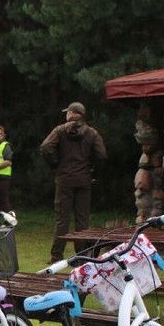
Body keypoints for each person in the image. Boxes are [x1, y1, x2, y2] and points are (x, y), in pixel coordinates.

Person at [40, 102, 107, 263]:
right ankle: (82, 255)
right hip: (84, 179)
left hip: (64, 179)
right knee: (82, 219)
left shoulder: (60, 130)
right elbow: (102, 156)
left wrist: (56, 164)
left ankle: (56, 256)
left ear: (71, 113)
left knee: (62, 219)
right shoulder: (92, 133)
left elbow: (45, 147)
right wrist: (94, 173)